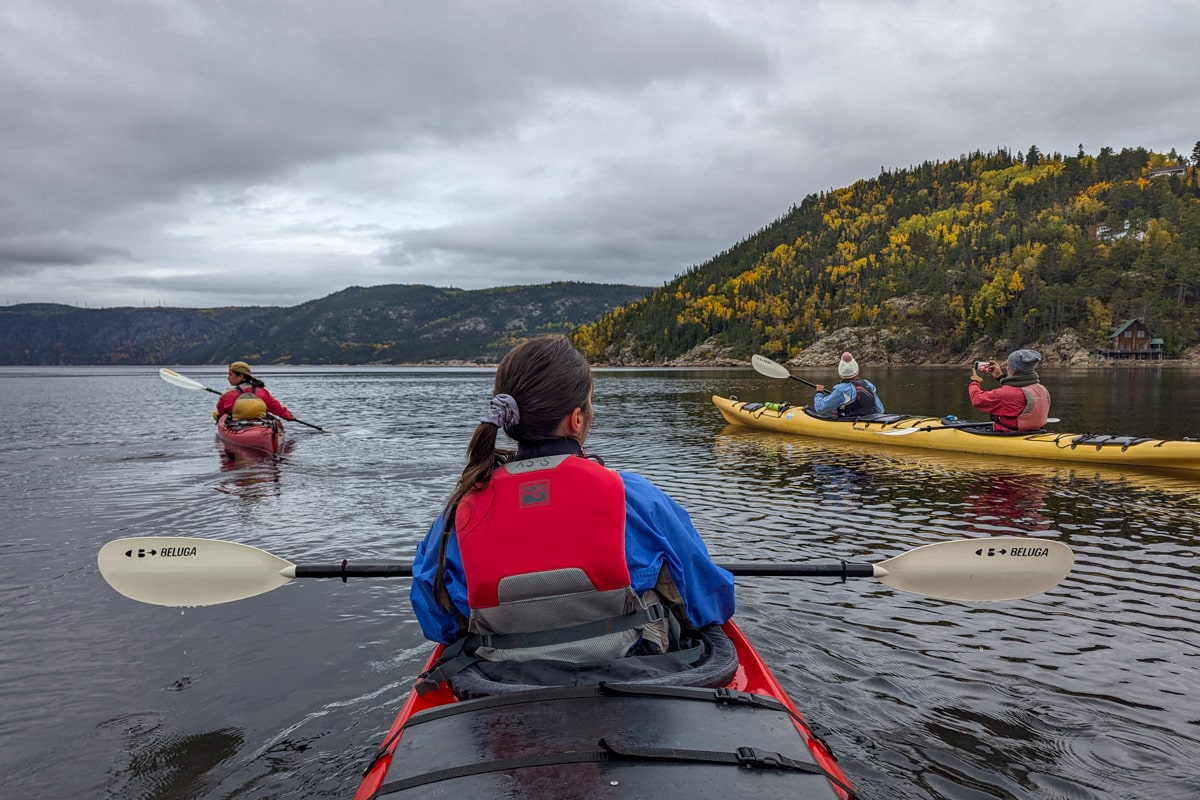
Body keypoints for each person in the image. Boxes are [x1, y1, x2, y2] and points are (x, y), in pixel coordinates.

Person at [409, 337, 736, 692]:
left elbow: (438, 623)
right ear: (576, 419)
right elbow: (707, 604)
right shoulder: (635, 498)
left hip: (502, 683)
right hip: (634, 673)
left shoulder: (461, 512)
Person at [969, 349, 1051, 432]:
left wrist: (975, 382)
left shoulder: (1006, 394)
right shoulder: (1042, 389)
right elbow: (1016, 387)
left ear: (1013, 370)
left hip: (1009, 434)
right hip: (1034, 431)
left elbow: (977, 400)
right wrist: (1000, 377)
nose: (1006, 368)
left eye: (1007, 365)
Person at [213, 361, 296, 423]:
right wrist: (288, 416)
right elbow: (275, 407)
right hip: (261, 425)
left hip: (237, 426)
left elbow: (221, 411)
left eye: (230, 374)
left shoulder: (228, 394)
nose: (228, 377)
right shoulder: (263, 392)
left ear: (241, 376)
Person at [812, 351, 885, 417]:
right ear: (856, 370)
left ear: (840, 372)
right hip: (868, 420)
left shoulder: (841, 390)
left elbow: (820, 408)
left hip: (852, 422)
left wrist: (819, 392)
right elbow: (880, 410)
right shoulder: (868, 384)